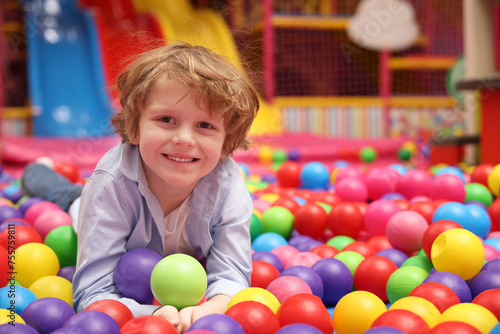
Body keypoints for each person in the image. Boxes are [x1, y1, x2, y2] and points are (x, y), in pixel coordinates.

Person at [21, 42, 259, 332]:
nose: (184, 138)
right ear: (134, 127)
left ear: (227, 142)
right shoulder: (110, 184)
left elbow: (232, 273)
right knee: (66, 194)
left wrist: (211, 308)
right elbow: (93, 292)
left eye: (205, 125)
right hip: (90, 205)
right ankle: (38, 170)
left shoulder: (227, 184)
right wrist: (152, 313)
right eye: (166, 119)